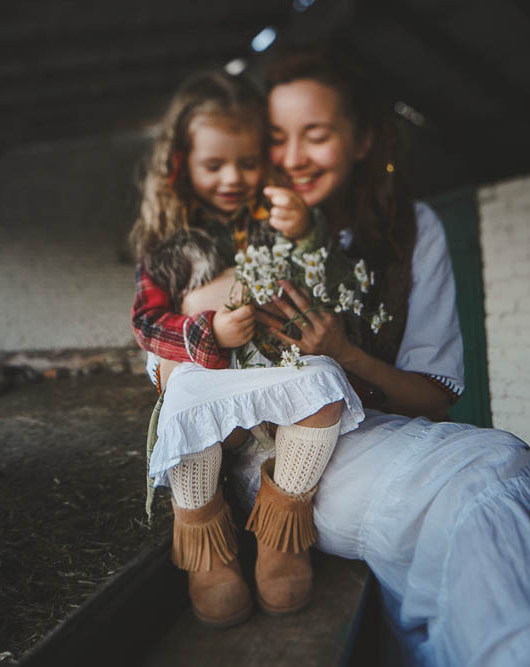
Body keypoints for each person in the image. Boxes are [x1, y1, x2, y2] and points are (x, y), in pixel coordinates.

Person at [161, 51, 530, 664]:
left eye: (316, 135)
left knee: (494, 467)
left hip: (358, 435)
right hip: (253, 453)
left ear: (361, 139)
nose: (293, 157)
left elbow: (434, 398)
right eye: (276, 138)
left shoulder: (410, 230)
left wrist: (345, 353)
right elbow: (171, 367)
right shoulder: (228, 225)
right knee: (484, 475)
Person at [129, 71, 365, 628]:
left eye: (248, 163)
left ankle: (282, 528)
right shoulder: (167, 242)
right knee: (187, 406)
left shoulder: (273, 219)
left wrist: (305, 232)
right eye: (214, 165)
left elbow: (325, 284)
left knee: (325, 387)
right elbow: (146, 323)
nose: (233, 178)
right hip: (206, 375)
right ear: (181, 163)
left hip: (273, 372)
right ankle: (205, 545)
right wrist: (207, 331)